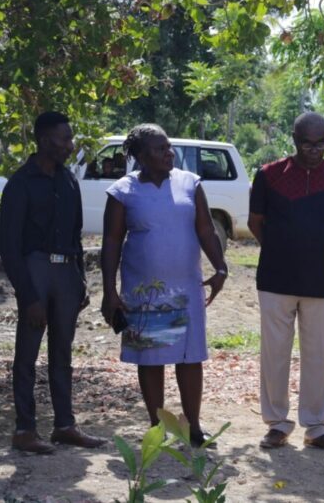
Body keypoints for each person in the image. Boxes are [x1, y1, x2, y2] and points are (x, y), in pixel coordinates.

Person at [100, 123, 227, 448]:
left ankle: (194, 427)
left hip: (185, 287)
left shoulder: (189, 183)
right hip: (146, 291)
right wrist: (110, 291)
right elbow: (112, 242)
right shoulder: (123, 191)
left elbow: (205, 229)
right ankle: (157, 427)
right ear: (141, 156)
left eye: (169, 147)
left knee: (189, 358)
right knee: (151, 358)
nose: (169, 153)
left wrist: (221, 267)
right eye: (160, 149)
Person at [0, 111, 106, 454]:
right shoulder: (20, 183)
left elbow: (75, 234)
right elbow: (9, 248)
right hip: (34, 271)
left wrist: (81, 281)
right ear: (45, 140)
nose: (70, 146)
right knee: (26, 356)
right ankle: (24, 430)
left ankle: (65, 425)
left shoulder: (68, 180)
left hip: (65, 273)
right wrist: (28, 296)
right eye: (65, 139)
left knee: (62, 353)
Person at [248, 112, 324, 453]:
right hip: (275, 280)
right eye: (307, 143)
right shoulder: (268, 175)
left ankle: (317, 426)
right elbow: (255, 222)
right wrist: (281, 250)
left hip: (319, 280)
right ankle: (277, 424)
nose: (314, 149)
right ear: (294, 139)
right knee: (275, 354)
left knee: (316, 355)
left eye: (321, 142)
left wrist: (309, 250)